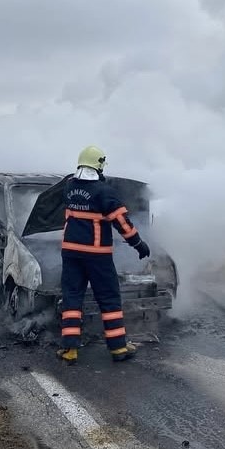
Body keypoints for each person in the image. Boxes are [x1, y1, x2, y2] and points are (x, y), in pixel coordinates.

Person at [57, 145, 151, 365]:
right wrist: (138, 244)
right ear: (98, 165)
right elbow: (122, 223)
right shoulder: (104, 191)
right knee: (109, 299)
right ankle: (118, 349)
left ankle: (70, 350)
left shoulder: (69, 187)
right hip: (97, 255)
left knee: (72, 298)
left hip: (70, 253)